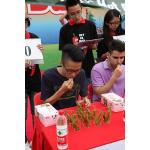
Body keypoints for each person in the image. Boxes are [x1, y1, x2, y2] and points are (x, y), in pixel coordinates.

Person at [41, 44, 91, 110]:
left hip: (73, 112)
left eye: (77, 70)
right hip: (54, 114)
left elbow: (84, 96)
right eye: (69, 70)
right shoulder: (48, 76)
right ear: (61, 63)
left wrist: (85, 100)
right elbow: (45, 105)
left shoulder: (81, 73)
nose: (73, 74)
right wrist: (61, 91)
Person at [59, 0, 98, 83]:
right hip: (71, 72)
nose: (76, 16)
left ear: (81, 9)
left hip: (89, 69)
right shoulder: (64, 30)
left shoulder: (90, 25)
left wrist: (92, 45)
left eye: (78, 12)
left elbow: (95, 47)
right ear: (68, 13)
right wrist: (73, 47)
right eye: (72, 14)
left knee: (87, 94)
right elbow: (64, 52)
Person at [25, 15, 44, 144]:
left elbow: (39, 60)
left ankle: (35, 140)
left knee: (36, 110)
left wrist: (40, 52)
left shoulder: (34, 37)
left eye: (25, 21)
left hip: (34, 78)